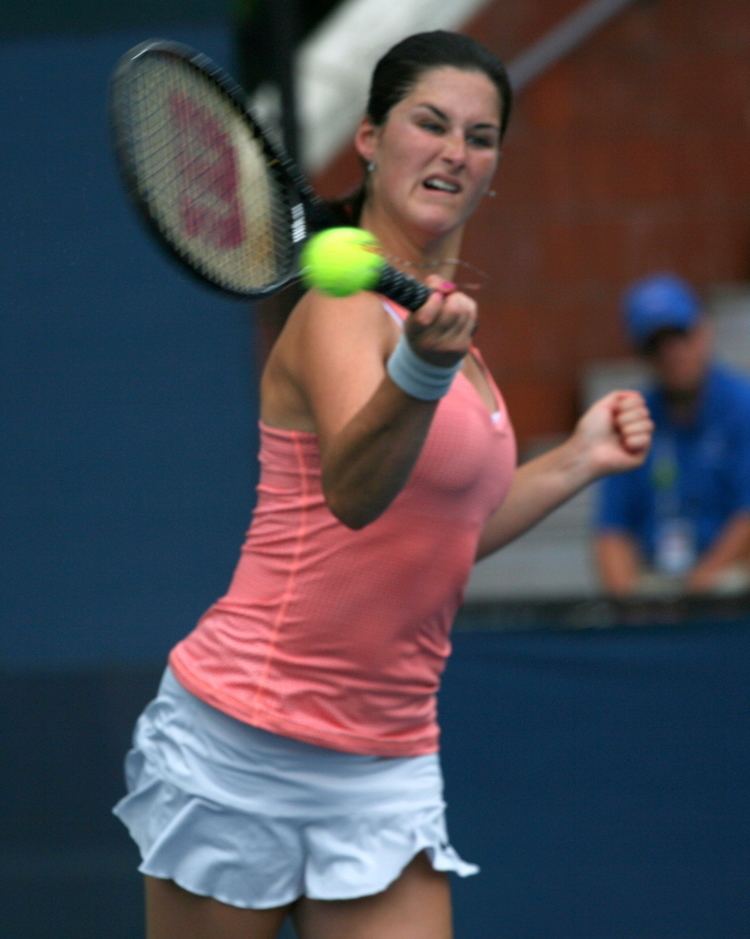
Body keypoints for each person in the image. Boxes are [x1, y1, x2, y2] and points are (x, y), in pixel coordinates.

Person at [113, 30, 654, 939]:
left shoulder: (443, 338)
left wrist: (578, 460)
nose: (455, 151)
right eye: (430, 124)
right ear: (369, 137)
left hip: (386, 757)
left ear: (493, 169)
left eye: (480, 138)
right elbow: (356, 497)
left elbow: (443, 534)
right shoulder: (340, 309)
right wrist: (420, 375)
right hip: (247, 737)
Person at [594, 273, 750, 597]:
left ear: (704, 331)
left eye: (680, 336)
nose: (672, 352)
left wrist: (696, 590)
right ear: (641, 354)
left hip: (729, 583)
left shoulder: (741, 407)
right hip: (659, 583)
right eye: (656, 345)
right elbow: (611, 530)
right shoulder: (632, 416)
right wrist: (626, 606)